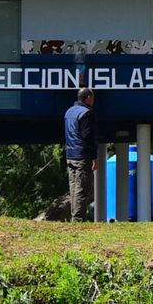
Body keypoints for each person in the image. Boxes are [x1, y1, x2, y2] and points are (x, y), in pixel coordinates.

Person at [63, 88, 98, 221]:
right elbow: (87, 137)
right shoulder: (87, 113)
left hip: (70, 154)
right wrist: (94, 156)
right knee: (82, 189)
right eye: (93, 98)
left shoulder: (69, 112)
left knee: (73, 187)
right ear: (88, 97)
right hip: (82, 155)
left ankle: (75, 216)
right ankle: (78, 219)